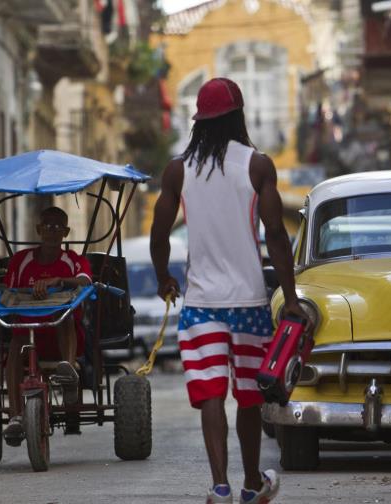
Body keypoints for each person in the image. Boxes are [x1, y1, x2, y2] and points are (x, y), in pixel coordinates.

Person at [150, 77, 306, 504]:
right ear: (239, 116)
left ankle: (219, 486)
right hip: (249, 301)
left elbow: (160, 232)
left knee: (211, 394)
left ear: (198, 121)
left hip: (201, 304)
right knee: (249, 398)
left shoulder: (178, 170)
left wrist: (164, 276)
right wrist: (290, 298)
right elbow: (276, 233)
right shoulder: (257, 165)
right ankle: (252, 483)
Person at [0, 206, 92, 443]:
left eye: (57, 227)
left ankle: (68, 371)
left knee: (65, 316)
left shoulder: (72, 260)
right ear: (39, 229)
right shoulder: (21, 260)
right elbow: (7, 290)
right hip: (27, 333)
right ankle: (16, 416)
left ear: (66, 232)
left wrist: (59, 280)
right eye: (47, 226)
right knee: (15, 342)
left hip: (61, 336)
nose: (52, 231)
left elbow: (85, 280)